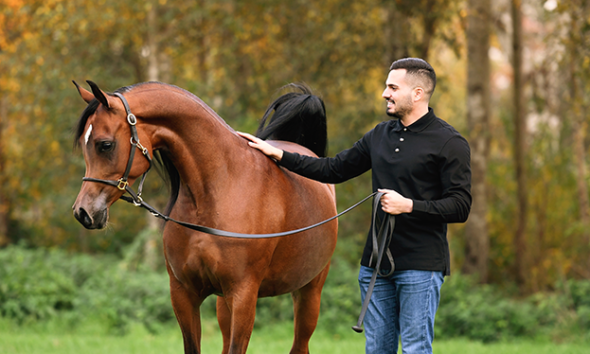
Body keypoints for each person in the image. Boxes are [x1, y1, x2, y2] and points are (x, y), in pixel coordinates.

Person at [239, 58, 471, 354]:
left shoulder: (449, 142)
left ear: (417, 93)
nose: (385, 93)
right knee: (376, 349)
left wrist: (409, 206)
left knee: (415, 348)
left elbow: (460, 205)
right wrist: (278, 154)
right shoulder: (379, 135)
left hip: (421, 267)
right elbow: (332, 169)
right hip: (375, 267)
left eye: (392, 87)